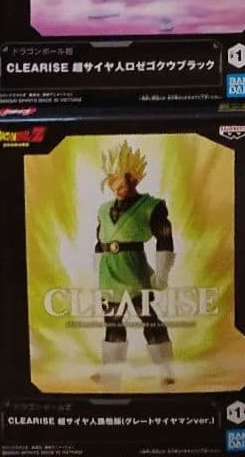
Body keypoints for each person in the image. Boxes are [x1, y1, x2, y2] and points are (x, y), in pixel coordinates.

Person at [93, 141, 176, 388]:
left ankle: (166, 370)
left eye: (126, 178)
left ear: (135, 178)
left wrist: (161, 275)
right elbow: (99, 242)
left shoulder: (151, 206)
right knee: (113, 322)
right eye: (114, 179)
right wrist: (97, 271)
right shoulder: (104, 209)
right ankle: (111, 373)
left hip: (135, 272)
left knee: (149, 319)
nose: (120, 185)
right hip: (109, 273)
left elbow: (165, 238)